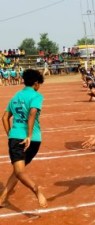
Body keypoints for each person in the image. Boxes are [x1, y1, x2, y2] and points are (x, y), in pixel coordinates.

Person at [0, 69, 47, 208]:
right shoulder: (36, 96)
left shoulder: (15, 96)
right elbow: (33, 112)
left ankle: (36, 190)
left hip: (17, 138)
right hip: (35, 140)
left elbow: (4, 118)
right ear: (36, 83)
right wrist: (30, 136)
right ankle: (2, 198)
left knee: (19, 171)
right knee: (18, 171)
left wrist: (11, 135)